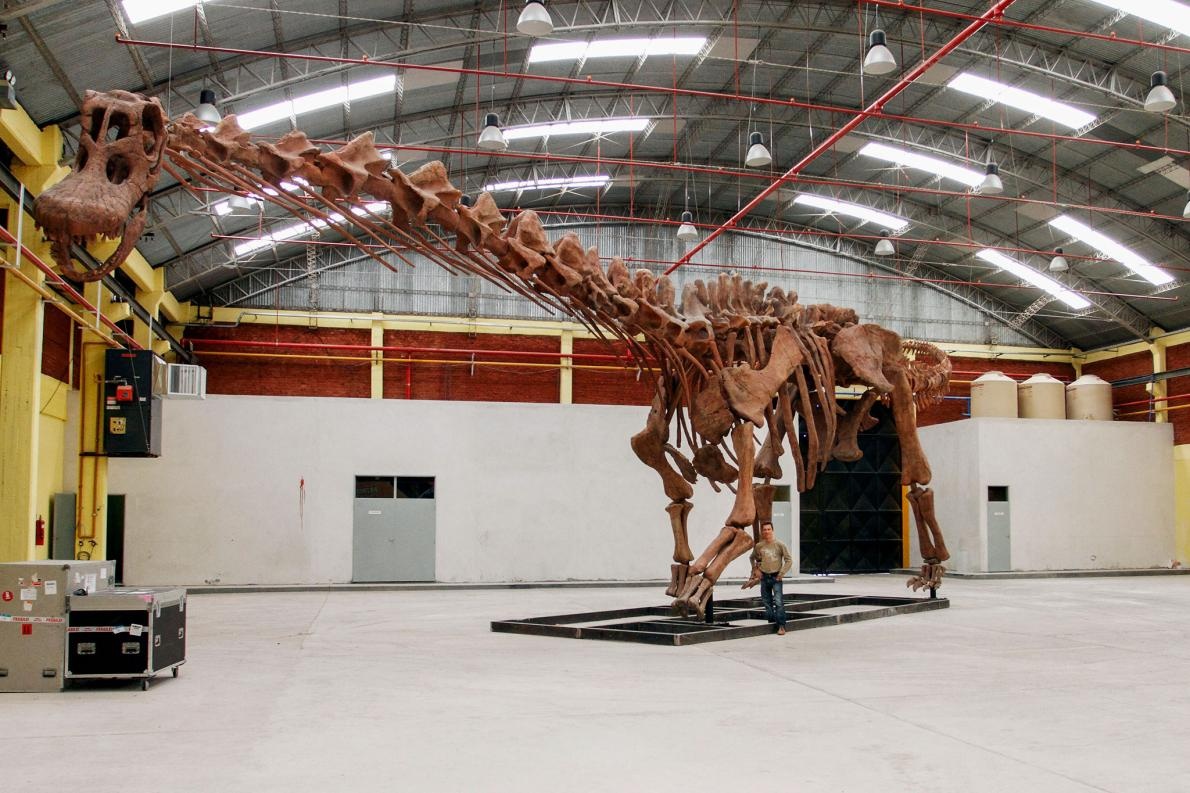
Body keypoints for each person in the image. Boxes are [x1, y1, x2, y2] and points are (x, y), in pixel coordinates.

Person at [748, 523, 792, 635]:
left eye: (769, 529)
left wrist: (781, 573)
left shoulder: (780, 545)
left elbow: (789, 560)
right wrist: (756, 570)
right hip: (764, 577)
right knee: (767, 602)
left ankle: (781, 626)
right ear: (762, 532)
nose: (766, 531)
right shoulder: (759, 546)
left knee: (778, 602)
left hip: (776, 577)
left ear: (772, 530)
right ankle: (772, 624)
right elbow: (752, 558)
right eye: (764, 530)